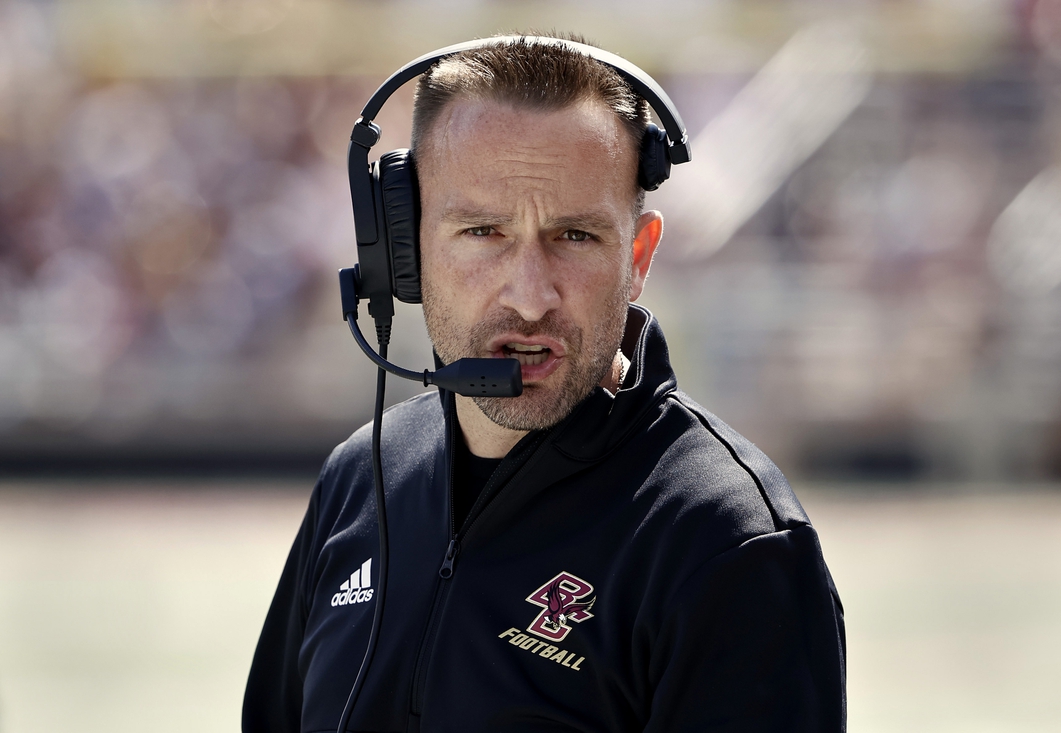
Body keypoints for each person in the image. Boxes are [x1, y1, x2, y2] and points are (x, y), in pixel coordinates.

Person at [244, 35, 846, 733]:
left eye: (575, 237)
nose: (531, 297)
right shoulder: (360, 475)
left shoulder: (727, 540)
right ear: (404, 250)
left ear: (638, 256)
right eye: (483, 231)